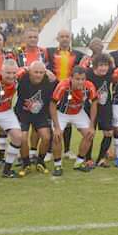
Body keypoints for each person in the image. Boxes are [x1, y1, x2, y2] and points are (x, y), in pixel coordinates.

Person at [49, 66, 98, 175]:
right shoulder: (62, 86)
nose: (80, 82)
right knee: (57, 136)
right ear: (71, 78)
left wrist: (91, 125)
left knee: (89, 134)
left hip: (78, 113)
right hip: (62, 114)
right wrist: (56, 127)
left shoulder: (89, 86)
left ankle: (79, 163)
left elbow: (94, 104)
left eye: (82, 79)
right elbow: (52, 105)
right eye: (77, 79)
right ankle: (57, 165)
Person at [46, 28, 85, 161]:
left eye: (67, 36)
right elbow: (39, 63)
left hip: (70, 91)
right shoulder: (49, 52)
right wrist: (46, 71)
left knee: (68, 119)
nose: (64, 39)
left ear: (70, 39)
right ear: (57, 39)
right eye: (61, 36)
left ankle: (67, 150)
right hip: (52, 90)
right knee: (54, 120)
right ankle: (50, 150)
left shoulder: (78, 54)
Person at [14, 61, 56, 175]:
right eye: (35, 72)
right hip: (23, 113)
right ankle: (26, 163)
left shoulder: (50, 81)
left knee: (46, 137)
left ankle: (40, 162)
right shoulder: (22, 79)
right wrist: (25, 68)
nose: (38, 75)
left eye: (41, 72)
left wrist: (52, 75)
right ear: (30, 72)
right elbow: (13, 75)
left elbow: (64, 86)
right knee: (22, 138)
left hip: (41, 114)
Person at [85, 54, 114, 167]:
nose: (103, 68)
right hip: (90, 107)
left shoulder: (110, 73)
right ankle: (88, 159)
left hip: (105, 106)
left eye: (106, 65)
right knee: (90, 133)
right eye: (101, 65)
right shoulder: (88, 74)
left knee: (108, 132)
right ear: (95, 66)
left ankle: (101, 158)